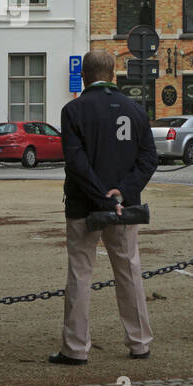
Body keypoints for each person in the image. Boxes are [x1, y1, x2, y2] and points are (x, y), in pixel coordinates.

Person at [51, 50, 158, 365]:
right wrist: (121, 194)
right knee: (129, 271)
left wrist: (102, 196)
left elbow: (77, 162)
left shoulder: (73, 110)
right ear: (114, 74)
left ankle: (76, 347)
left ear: (84, 75)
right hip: (126, 208)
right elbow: (148, 159)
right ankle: (139, 342)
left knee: (80, 274)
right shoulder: (136, 110)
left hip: (84, 205)